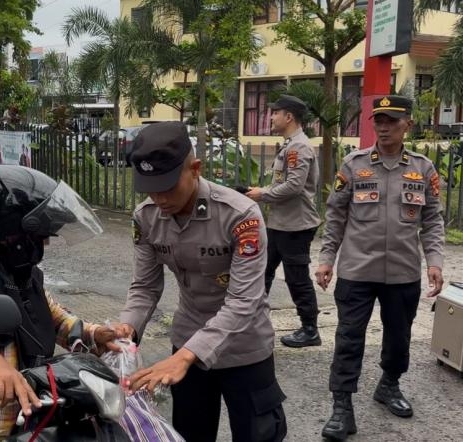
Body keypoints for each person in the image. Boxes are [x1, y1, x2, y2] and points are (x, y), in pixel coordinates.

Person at [114, 122, 287, 442]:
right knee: (190, 434)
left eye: (167, 186)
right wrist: (127, 329)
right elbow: (145, 287)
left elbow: (243, 302)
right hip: (188, 344)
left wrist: (185, 355)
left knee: (258, 435)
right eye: (150, 188)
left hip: (245, 349)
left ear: (195, 169)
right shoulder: (146, 217)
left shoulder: (239, 214)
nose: (159, 198)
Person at [0, 165, 119, 440]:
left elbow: (54, 317)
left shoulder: (24, 274)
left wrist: (95, 333)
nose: (45, 244)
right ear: (12, 233)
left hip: (32, 424)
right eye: (40, 237)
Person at [316, 95, 445, 441]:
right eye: (379, 120)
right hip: (357, 271)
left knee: (399, 338)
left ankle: (389, 385)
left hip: (403, 273)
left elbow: (432, 220)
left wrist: (434, 262)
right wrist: (327, 257)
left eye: (392, 120)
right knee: (348, 339)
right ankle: (342, 407)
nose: (384, 126)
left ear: (408, 125)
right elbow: (336, 216)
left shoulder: (423, 168)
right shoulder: (354, 165)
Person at [246, 95, 323, 348]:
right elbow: (284, 182)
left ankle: (310, 329)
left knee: (296, 277)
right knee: (262, 272)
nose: (271, 117)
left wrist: (263, 194)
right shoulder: (290, 144)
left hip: (295, 226)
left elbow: (294, 187)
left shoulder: (299, 147)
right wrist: (262, 189)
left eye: (275, 113)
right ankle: (253, 321)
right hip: (280, 223)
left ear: (288, 117)